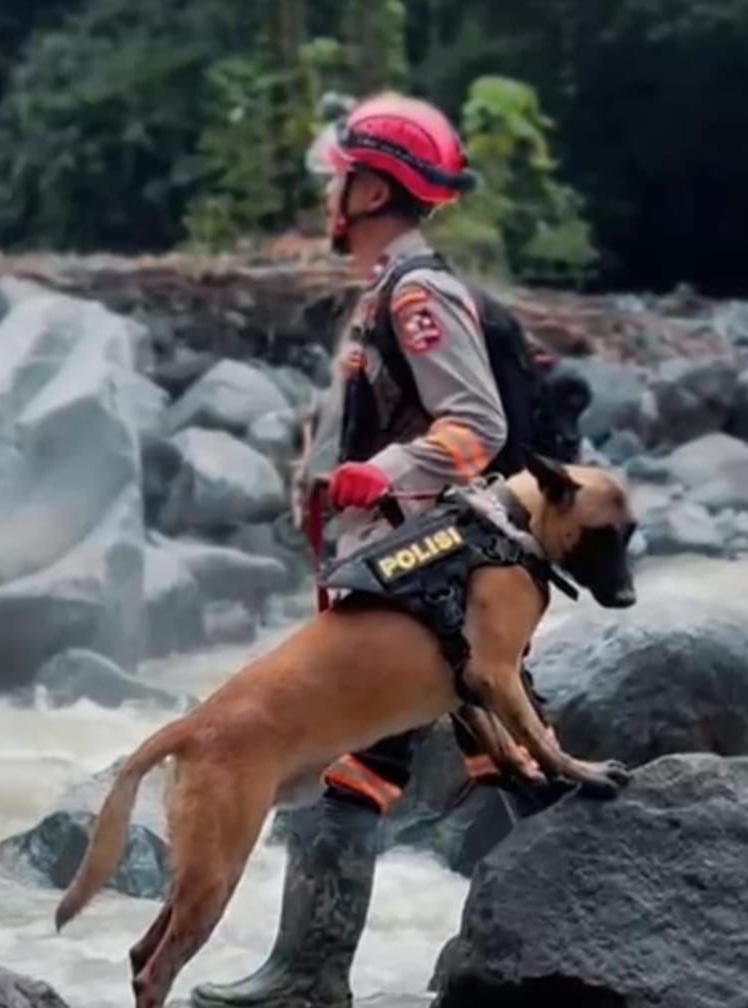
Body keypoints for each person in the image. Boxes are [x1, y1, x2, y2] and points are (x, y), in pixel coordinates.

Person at [190, 91, 575, 1008]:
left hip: (423, 576)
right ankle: (586, 934)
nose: (330, 193)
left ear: (371, 191)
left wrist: (383, 471)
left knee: (362, 763)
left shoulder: (418, 294)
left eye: (342, 178)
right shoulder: (389, 292)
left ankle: (310, 976)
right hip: (408, 570)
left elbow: (475, 424)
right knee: (506, 752)